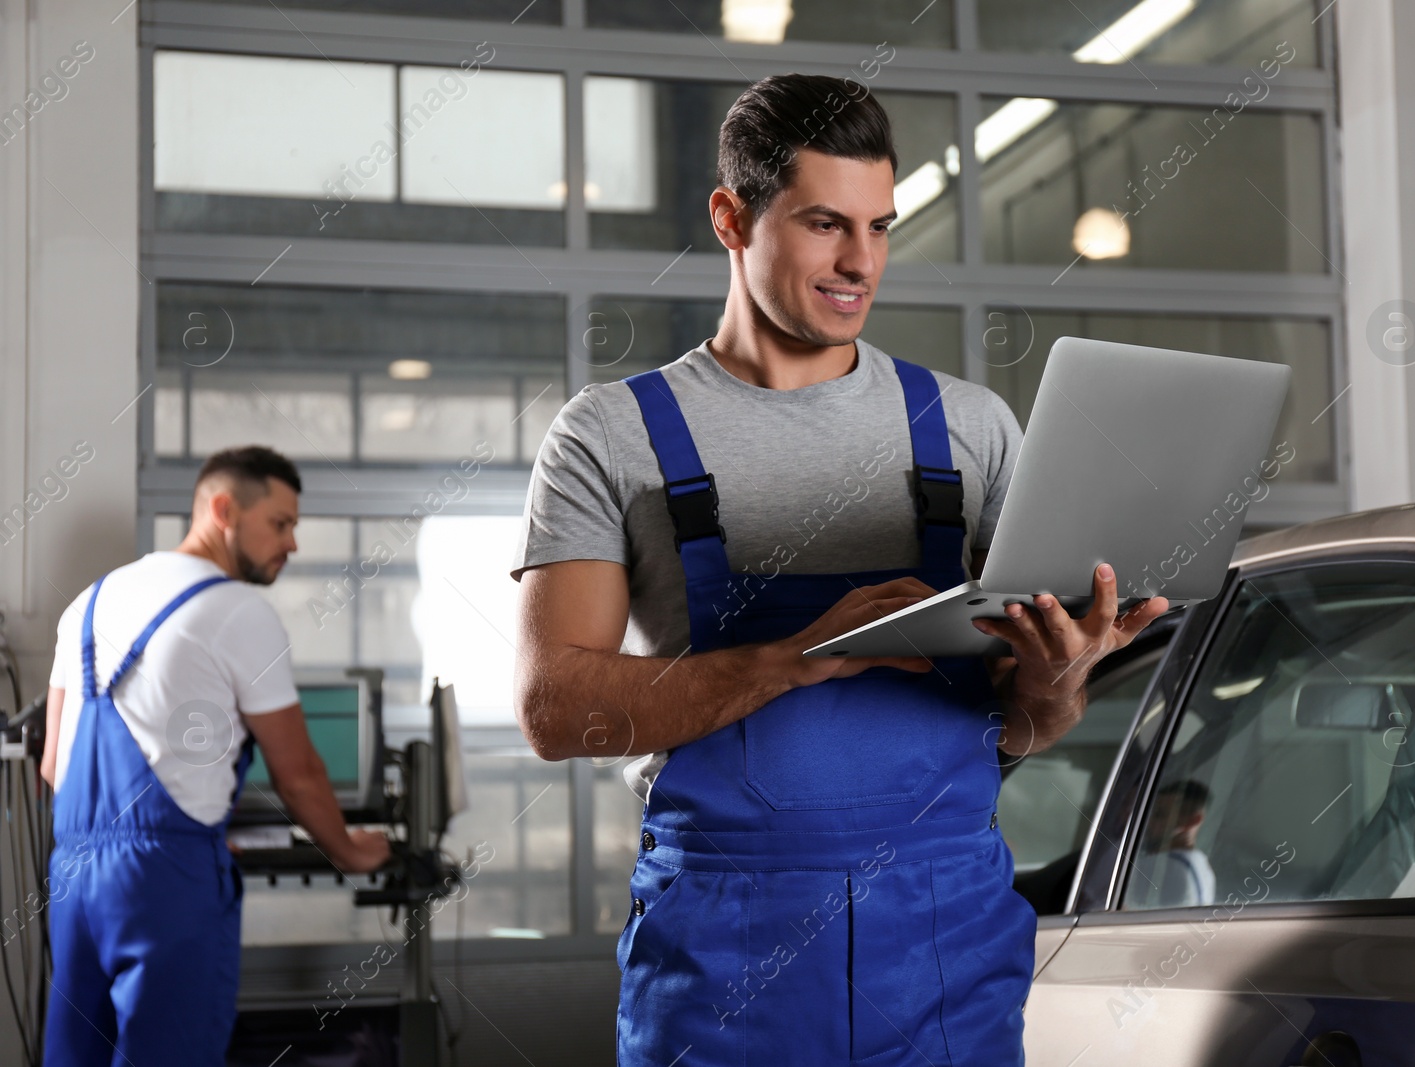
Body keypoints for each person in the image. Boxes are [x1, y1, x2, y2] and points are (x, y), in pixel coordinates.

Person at [511, 73, 1168, 1066]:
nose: (859, 262)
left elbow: (1023, 729)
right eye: (825, 224)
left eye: (879, 226)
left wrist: (1054, 675)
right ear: (731, 218)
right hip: (730, 962)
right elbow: (556, 707)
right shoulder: (614, 434)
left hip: (946, 950)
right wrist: (793, 657)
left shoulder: (968, 429)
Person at [40, 446, 391, 1066]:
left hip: (72, 877)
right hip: (167, 883)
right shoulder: (238, 610)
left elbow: (53, 766)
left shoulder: (87, 605)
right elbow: (299, 773)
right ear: (223, 509)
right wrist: (351, 851)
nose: (293, 544)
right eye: (281, 524)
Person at [1131, 779, 1216, 908]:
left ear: (1192, 821)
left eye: (1159, 815)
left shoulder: (1161, 866)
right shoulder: (1203, 867)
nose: (1148, 822)